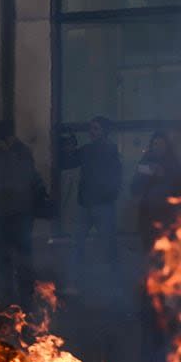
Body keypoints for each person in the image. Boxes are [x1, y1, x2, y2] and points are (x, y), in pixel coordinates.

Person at [0, 121, 49, 302]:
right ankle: (8, 291)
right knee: (5, 254)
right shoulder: (1, 154)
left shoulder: (20, 154)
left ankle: (25, 293)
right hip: (5, 212)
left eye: (0, 141)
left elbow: (16, 183)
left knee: (21, 254)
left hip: (17, 212)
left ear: (7, 139)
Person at [61, 116, 122, 273]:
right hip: (89, 204)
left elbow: (116, 178)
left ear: (104, 131)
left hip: (101, 205)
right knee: (79, 243)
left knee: (106, 245)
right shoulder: (88, 150)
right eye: (91, 128)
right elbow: (68, 162)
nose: (92, 132)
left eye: (96, 128)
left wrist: (108, 195)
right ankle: (77, 279)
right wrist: (67, 146)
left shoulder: (108, 151)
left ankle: (113, 282)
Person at [131, 131, 181, 251]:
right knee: (148, 248)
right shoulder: (145, 161)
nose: (157, 147)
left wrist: (164, 175)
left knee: (167, 249)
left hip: (167, 214)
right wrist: (143, 175)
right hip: (147, 213)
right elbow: (134, 188)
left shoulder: (173, 164)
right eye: (155, 144)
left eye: (161, 144)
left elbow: (178, 190)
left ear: (166, 146)